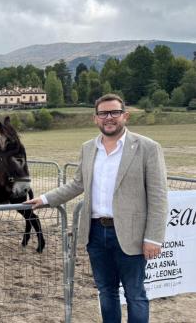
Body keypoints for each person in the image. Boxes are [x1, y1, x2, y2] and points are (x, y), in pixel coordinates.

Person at [26, 93, 168, 323]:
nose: (109, 118)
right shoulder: (88, 148)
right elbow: (77, 184)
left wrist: (154, 238)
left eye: (114, 112)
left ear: (125, 116)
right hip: (95, 233)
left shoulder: (147, 148)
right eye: (103, 113)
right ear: (95, 118)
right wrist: (44, 199)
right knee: (106, 292)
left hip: (132, 236)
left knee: (135, 294)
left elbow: (159, 197)